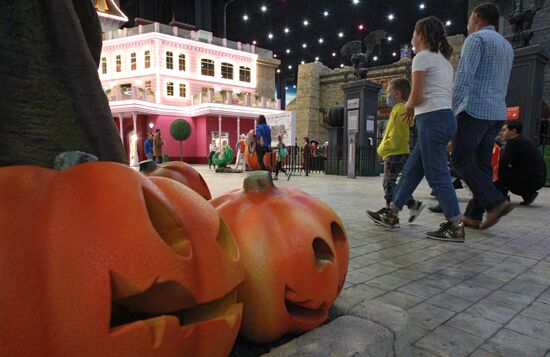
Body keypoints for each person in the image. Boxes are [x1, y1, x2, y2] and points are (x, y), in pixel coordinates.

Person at [367, 16, 464, 242]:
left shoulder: (421, 58)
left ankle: (456, 225)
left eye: (413, 33)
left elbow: (418, 95)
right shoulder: (444, 62)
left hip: (431, 119)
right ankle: (392, 213)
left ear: (421, 35)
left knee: (437, 174)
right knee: (411, 170)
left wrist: (408, 106)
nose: (411, 38)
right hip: (443, 118)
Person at [451, 2, 515, 230]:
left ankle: (495, 202)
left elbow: (464, 77)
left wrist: (450, 109)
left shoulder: (476, 39)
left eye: (469, 19)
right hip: (497, 112)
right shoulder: (507, 46)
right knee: (481, 163)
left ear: (476, 17)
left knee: (459, 159)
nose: (468, 24)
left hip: (475, 110)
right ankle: (473, 215)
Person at [366, 78, 425, 225]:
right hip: (399, 152)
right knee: (396, 183)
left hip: (394, 153)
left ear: (397, 94)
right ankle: (412, 204)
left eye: (388, 93)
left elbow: (396, 136)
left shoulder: (399, 111)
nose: (387, 96)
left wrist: (382, 148)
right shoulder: (401, 109)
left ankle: (390, 214)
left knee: (389, 184)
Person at [494, 121, 547, 206]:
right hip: (536, 179)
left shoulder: (514, 143)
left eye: (504, 130)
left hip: (532, 179)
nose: (502, 133)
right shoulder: (520, 140)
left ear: (513, 131)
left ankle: (502, 198)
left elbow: (503, 163)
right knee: (504, 171)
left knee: (499, 172)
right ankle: (528, 195)